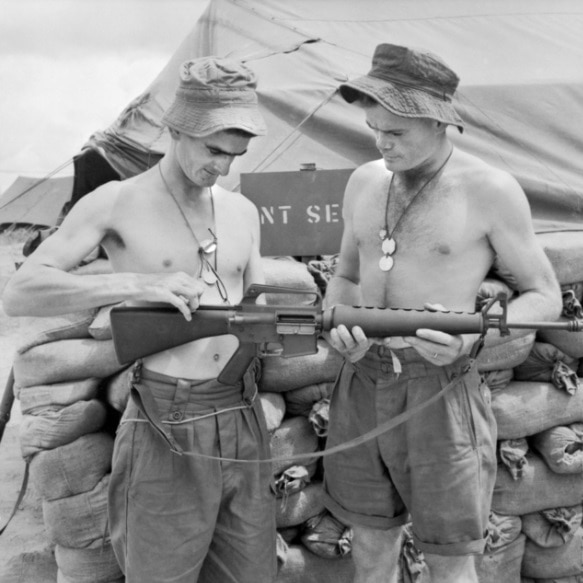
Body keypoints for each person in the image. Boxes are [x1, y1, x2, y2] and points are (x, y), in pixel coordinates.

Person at [2, 56, 277, 583]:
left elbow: (256, 303)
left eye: (235, 155)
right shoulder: (117, 202)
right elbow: (21, 292)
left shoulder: (242, 212)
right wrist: (138, 284)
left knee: (249, 574)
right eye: (213, 150)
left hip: (241, 412)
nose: (222, 167)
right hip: (166, 417)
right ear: (176, 129)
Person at [321, 43, 562, 583]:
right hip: (361, 379)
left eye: (397, 133)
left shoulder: (490, 189)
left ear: (437, 122)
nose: (382, 143)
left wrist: (471, 341)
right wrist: (339, 323)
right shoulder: (364, 181)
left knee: (451, 559)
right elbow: (347, 274)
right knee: (370, 543)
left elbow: (544, 294)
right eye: (374, 129)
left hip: (439, 389)